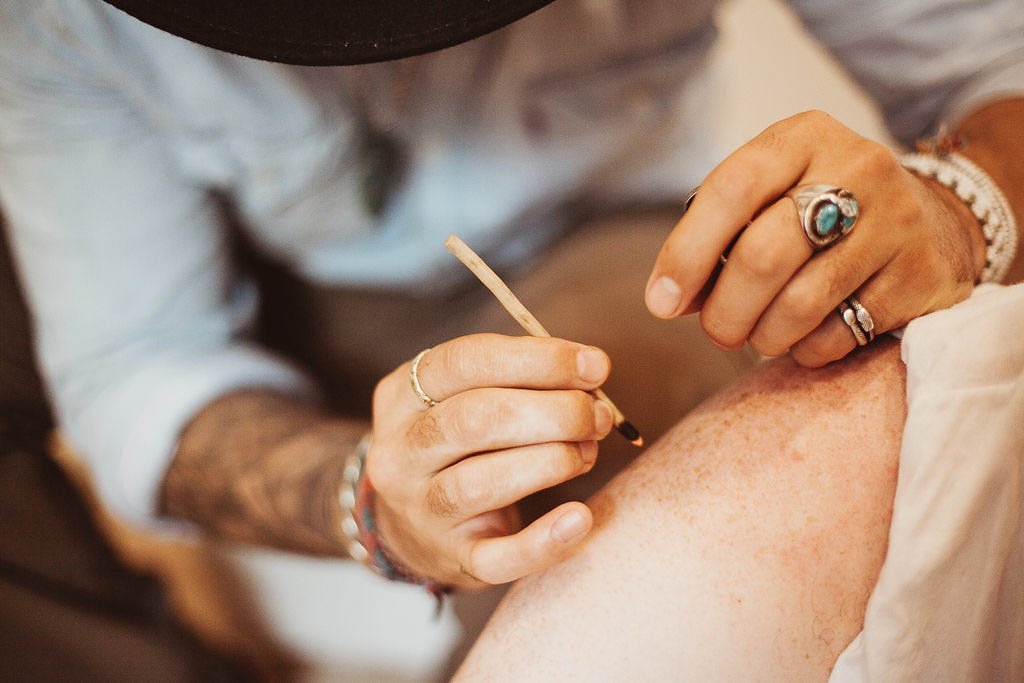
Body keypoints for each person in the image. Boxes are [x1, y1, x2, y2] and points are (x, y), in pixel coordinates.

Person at [1, 0, 1021, 676]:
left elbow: (996, 62)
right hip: (308, 320)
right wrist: (369, 497)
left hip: (620, 245)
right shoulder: (63, 24)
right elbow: (139, 370)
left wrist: (957, 203)